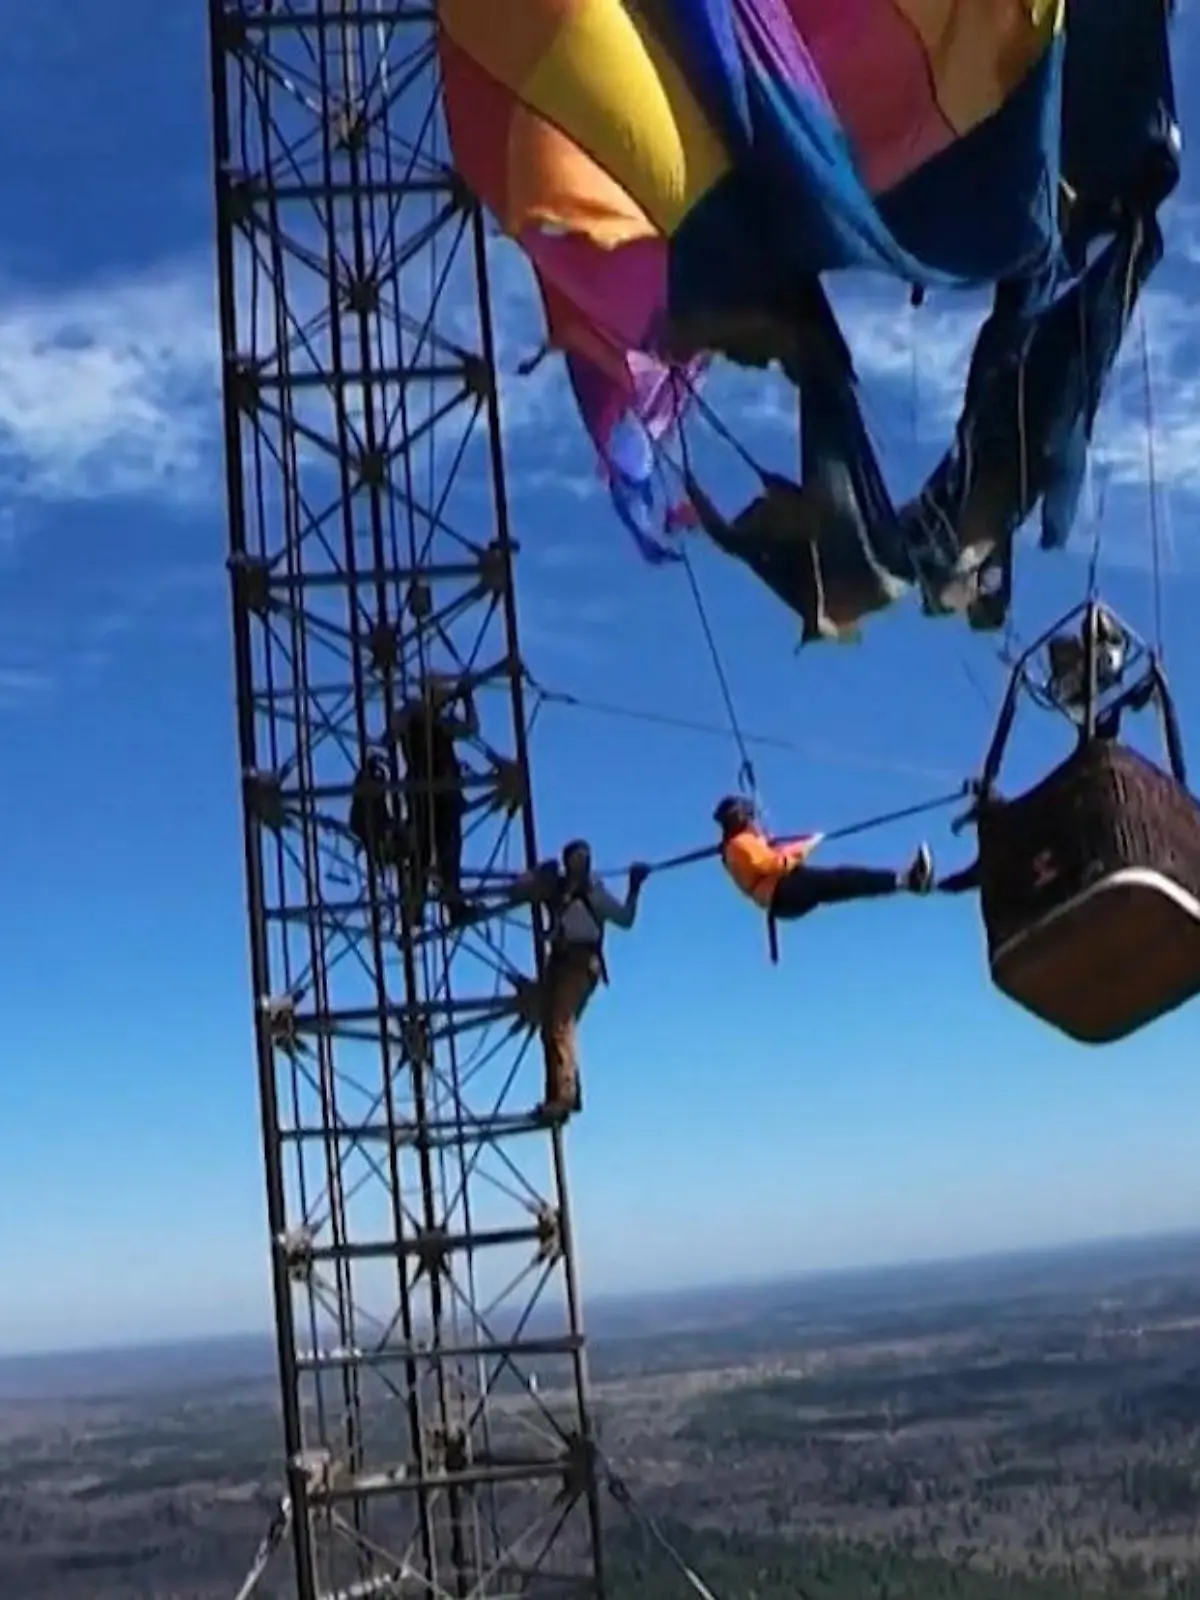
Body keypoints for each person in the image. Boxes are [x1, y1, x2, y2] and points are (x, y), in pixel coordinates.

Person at [531, 840, 649, 1120]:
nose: (580, 863)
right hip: (563, 963)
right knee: (553, 1029)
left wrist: (634, 888)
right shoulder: (561, 890)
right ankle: (564, 1095)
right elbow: (625, 918)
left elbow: (624, 918)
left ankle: (564, 1097)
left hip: (579, 963)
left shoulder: (592, 892)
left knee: (560, 1025)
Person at [714, 796, 933, 929]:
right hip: (783, 892)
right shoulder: (739, 844)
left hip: (782, 896)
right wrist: (807, 845)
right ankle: (907, 881)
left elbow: (767, 859)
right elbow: (776, 864)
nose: (752, 821)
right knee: (843, 880)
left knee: (845, 883)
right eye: (748, 816)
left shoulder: (741, 844)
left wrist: (784, 844)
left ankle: (905, 882)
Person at [392, 673, 478, 920]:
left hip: (446, 793)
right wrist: (424, 710)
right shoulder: (411, 716)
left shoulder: (442, 722)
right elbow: (395, 727)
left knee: (449, 852)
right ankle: (414, 907)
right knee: (421, 849)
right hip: (421, 791)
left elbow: (470, 729)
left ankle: (453, 905)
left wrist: (467, 700)